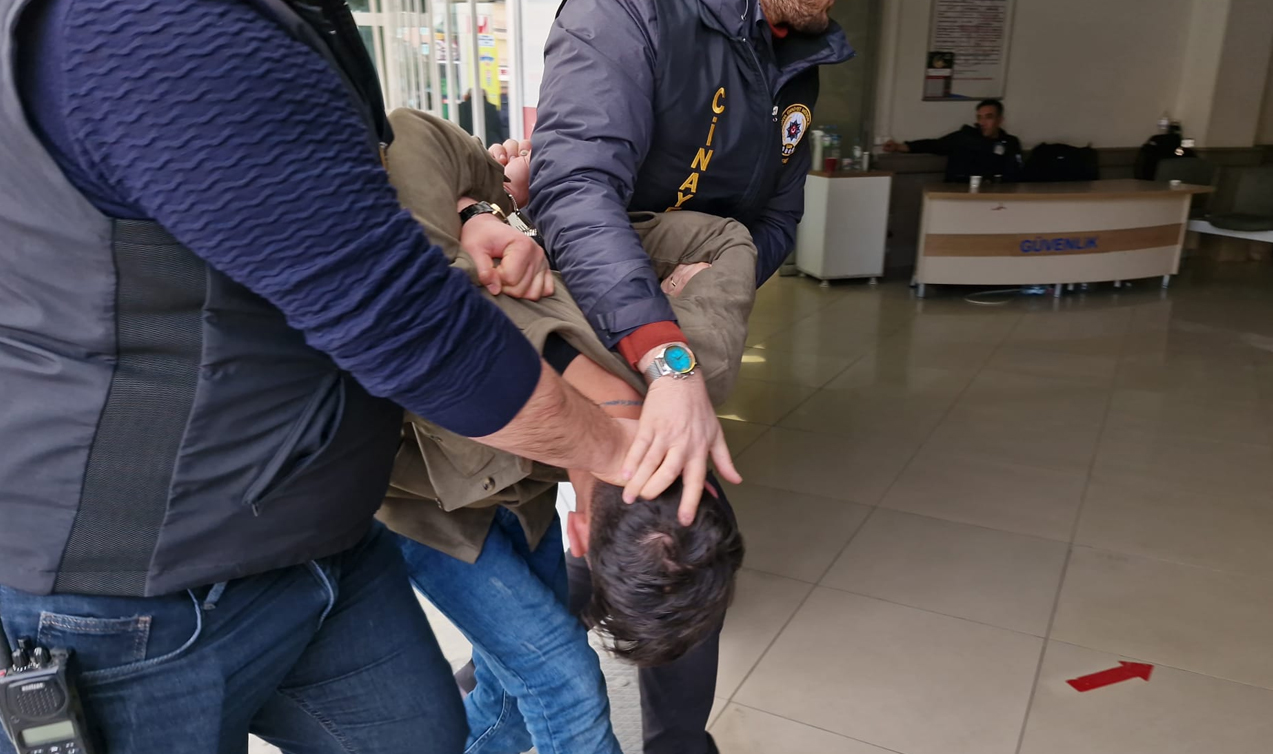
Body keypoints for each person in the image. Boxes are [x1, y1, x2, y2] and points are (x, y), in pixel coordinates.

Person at [0, 1, 656, 752]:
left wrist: (471, 211)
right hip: (138, 588)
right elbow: (400, 317)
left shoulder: (293, 19)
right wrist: (617, 449)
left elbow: (347, 204)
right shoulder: (150, 23)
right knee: (560, 683)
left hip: (323, 531)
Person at [524, 0, 854, 751]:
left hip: (673, 329)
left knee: (674, 540)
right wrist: (662, 347)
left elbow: (773, 223)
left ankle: (672, 736)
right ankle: (503, 687)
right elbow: (573, 189)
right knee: (553, 548)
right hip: (591, 317)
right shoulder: (631, 12)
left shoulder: (798, 57)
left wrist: (699, 303)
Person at [377, 108, 753, 754]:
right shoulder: (685, 368)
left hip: (510, 501)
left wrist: (480, 212)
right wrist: (494, 206)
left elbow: (723, 243)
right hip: (429, 512)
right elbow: (408, 133)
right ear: (579, 535)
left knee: (512, 699)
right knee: (566, 689)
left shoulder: (693, 364)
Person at [883, 99, 1024, 183]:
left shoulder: (1010, 143)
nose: (982, 122)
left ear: (1000, 120)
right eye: (979, 117)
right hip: (959, 192)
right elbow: (934, 145)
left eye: (988, 117)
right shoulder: (965, 137)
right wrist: (898, 147)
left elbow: (1015, 174)